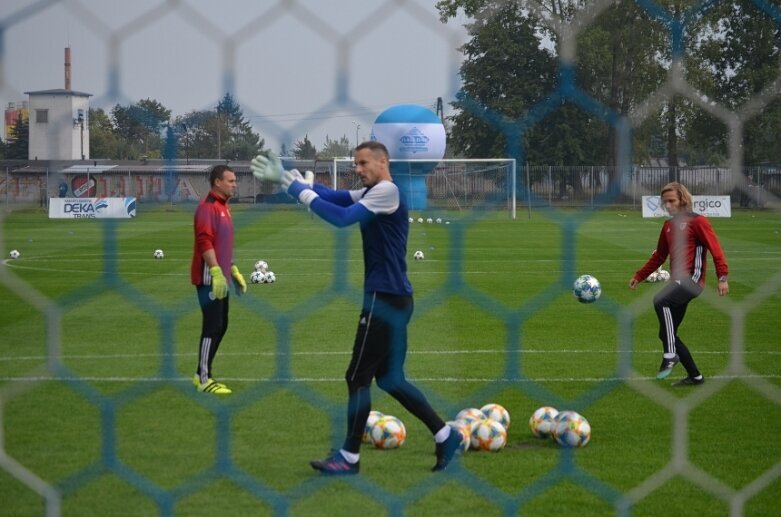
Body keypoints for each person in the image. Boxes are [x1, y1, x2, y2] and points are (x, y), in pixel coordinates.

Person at [250, 142, 461, 474]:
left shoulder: (386, 192)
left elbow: (342, 218)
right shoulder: (375, 192)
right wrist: (295, 184)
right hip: (395, 298)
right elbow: (334, 197)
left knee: (357, 377)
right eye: (356, 164)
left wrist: (294, 187)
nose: (358, 170)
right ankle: (446, 434)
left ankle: (349, 457)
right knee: (391, 379)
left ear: (382, 162)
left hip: (384, 299)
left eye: (363, 164)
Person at [629, 182, 729, 386]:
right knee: (666, 333)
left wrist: (722, 277)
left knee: (660, 301)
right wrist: (640, 276)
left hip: (692, 280)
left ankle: (670, 355)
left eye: (671, 200)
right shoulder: (668, 226)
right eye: (664, 201)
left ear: (683, 199)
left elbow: (716, 249)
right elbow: (659, 256)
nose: (668, 205)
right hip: (677, 282)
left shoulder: (698, 222)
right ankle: (695, 376)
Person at [190, 164, 247, 395]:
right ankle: (203, 378)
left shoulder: (224, 208)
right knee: (212, 326)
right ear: (217, 182)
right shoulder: (208, 208)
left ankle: (203, 373)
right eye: (231, 181)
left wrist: (232, 271)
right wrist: (214, 272)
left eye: (235, 181)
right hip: (208, 279)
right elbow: (205, 242)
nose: (235, 184)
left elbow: (222, 245)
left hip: (220, 277)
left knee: (221, 326)